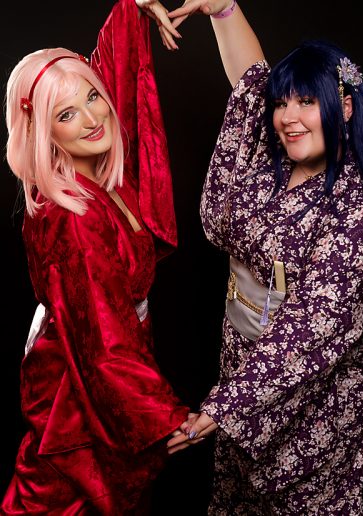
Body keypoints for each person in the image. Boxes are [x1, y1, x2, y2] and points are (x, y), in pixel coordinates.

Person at [156, 1, 363, 514]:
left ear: (345, 107)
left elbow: (308, 329)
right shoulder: (273, 157)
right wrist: (224, 9)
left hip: (313, 389)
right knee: (238, 493)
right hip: (242, 360)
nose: (288, 117)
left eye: (306, 101)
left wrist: (222, 409)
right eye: (282, 102)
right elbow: (251, 82)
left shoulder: (358, 214)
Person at [1, 0, 190, 514]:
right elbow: (104, 340)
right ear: (45, 133)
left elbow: (115, 84)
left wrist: (131, 8)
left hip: (102, 366)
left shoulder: (91, 176)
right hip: (79, 385)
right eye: (66, 114)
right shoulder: (75, 218)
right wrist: (163, 416)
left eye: (92, 97)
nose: (92, 118)